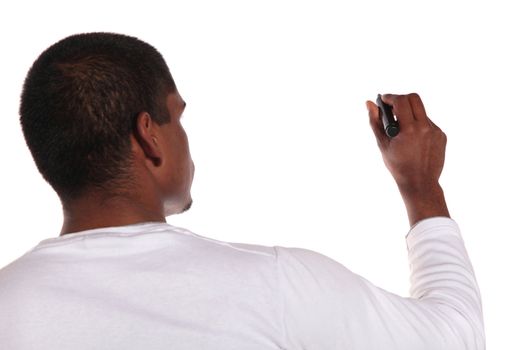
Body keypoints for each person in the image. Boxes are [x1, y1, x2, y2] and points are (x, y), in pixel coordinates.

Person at [0, 32, 484, 349]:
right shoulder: (273, 285)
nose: (185, 138)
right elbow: (457, 337)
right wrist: (421, 187)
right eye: (179, 118)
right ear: (149, 135)